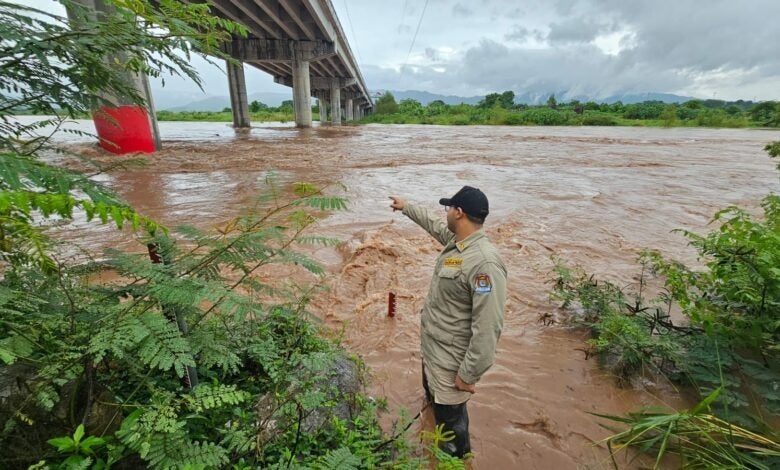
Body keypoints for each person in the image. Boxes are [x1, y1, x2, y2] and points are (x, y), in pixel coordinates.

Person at [389, 186, 507, 458]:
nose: (445, 213)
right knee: (434, 415)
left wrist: (468, 374)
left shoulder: (484, 264)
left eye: (448, 208)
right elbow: (432, 225)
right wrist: (406, 207)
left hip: (451, 368)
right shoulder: (458, 243)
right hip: (433, 353)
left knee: (453, 440)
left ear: (459, 212)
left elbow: (488, 327)